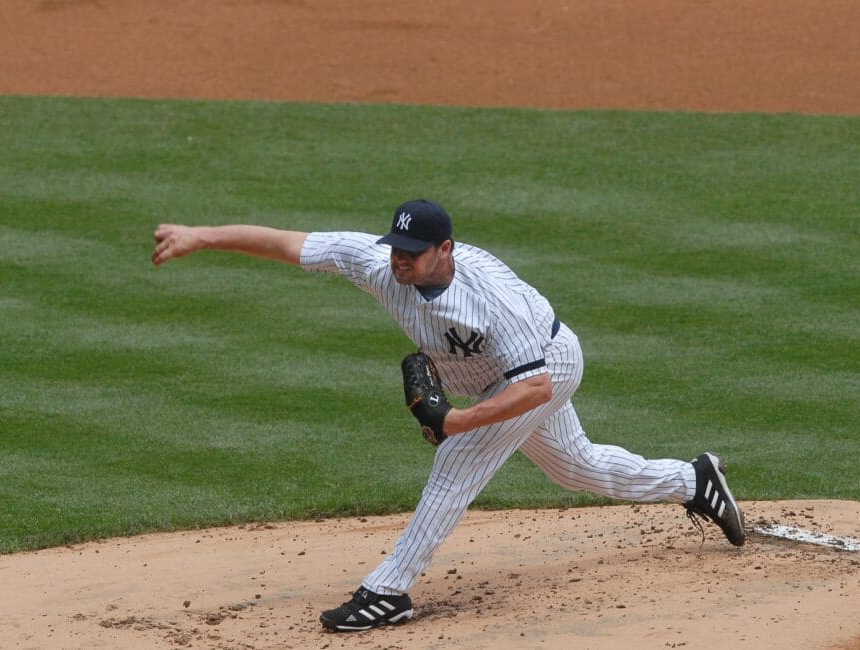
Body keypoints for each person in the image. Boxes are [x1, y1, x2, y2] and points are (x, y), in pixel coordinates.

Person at [151, 199, 746, 633]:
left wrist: (457, 423)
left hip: (547, 366)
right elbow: (290, 243)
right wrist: (202, 236)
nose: (400, 261)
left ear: (445, 250)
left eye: (413, 253)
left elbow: (534, 385)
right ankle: (694, 480)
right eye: (396, 249)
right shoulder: (377, 262)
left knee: (457, 463)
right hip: (500, 380)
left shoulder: (491, 297)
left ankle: (390, 590)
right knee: (576, 467)